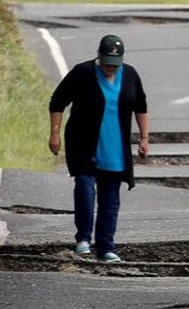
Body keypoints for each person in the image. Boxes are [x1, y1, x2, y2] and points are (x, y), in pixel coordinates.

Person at [48, 34, 149, 262]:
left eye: (115, 65)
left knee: (110, 198)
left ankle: (106, 246)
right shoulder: (82, 73)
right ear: (98, 57)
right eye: (106, 64)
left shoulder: (130, 75)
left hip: (115, 145)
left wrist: (144, 138)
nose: (110, 69)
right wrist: (54, 133)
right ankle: (83, 238)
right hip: (83, 143)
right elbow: (57, 101)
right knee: (84, 188)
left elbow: (141, 106)